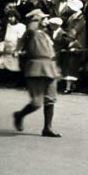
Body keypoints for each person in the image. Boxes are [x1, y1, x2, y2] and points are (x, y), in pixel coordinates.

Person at [13, 9, 62, 137]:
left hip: (50, 67)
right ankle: (19, 115)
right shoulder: (32, 32)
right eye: (43, 18)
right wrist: (36, 17)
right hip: (36, 68)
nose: (47, 19)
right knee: (36, 103)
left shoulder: (45, 33)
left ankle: (47, 128)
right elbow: (30, 29)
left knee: (50, 100)